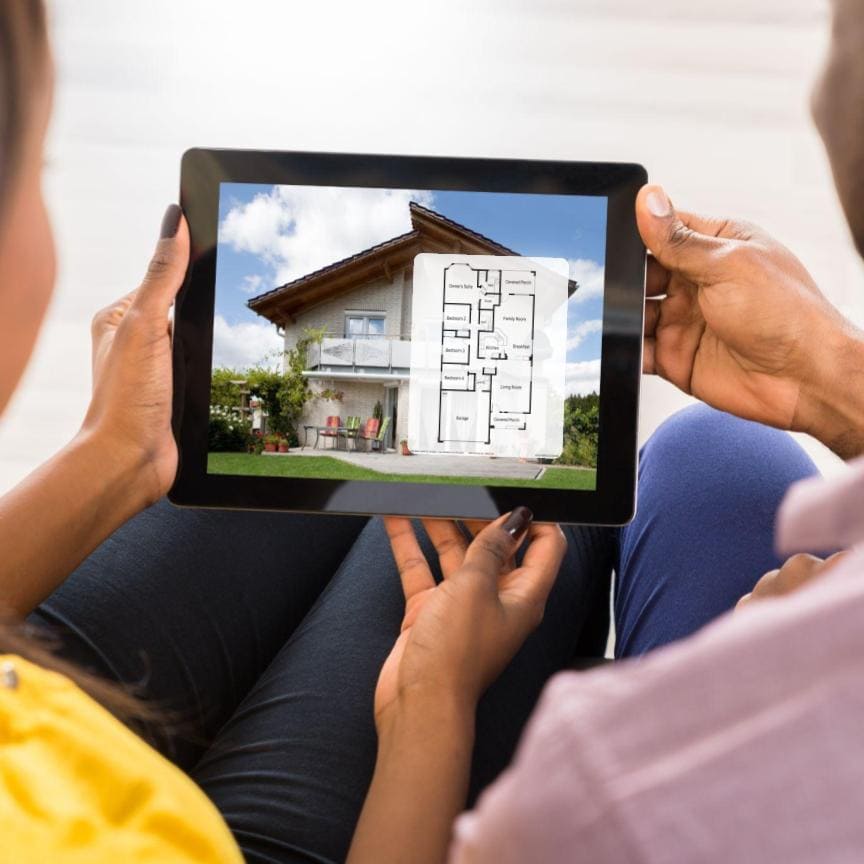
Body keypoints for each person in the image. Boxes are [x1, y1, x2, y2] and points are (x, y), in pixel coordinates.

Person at [1, 3, 863, 864]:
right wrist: (430, 700)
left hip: (30, 728)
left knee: (416, 504)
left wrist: (115, 455)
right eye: (41, 163)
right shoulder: (605, 789)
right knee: (670, 473)